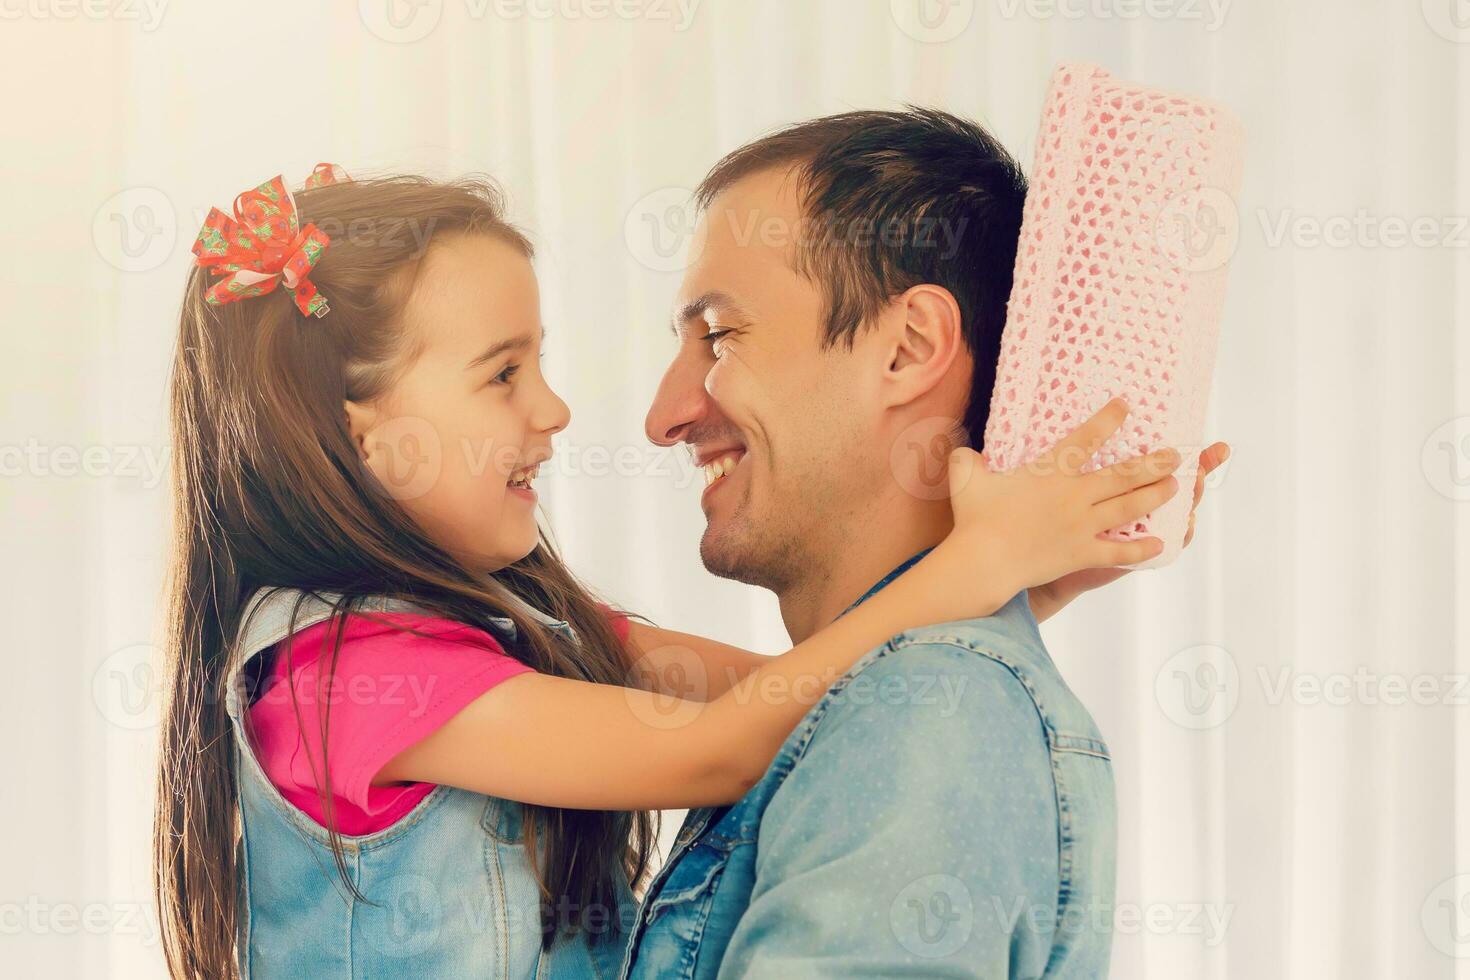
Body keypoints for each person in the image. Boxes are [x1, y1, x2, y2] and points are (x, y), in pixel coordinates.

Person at [152, 165, 1182, 978]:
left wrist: (1018, 588)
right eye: (503, 372)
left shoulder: (527, 624)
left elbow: (822, 695)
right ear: (359, 435)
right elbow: (715, 749)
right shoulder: (340, 677)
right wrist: (975, 561)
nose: (554, 410)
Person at [618, 109, 1229, 978]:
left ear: (908, 349)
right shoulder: (903, 696)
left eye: (718, 336)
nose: (664, 415)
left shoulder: (928, 712)